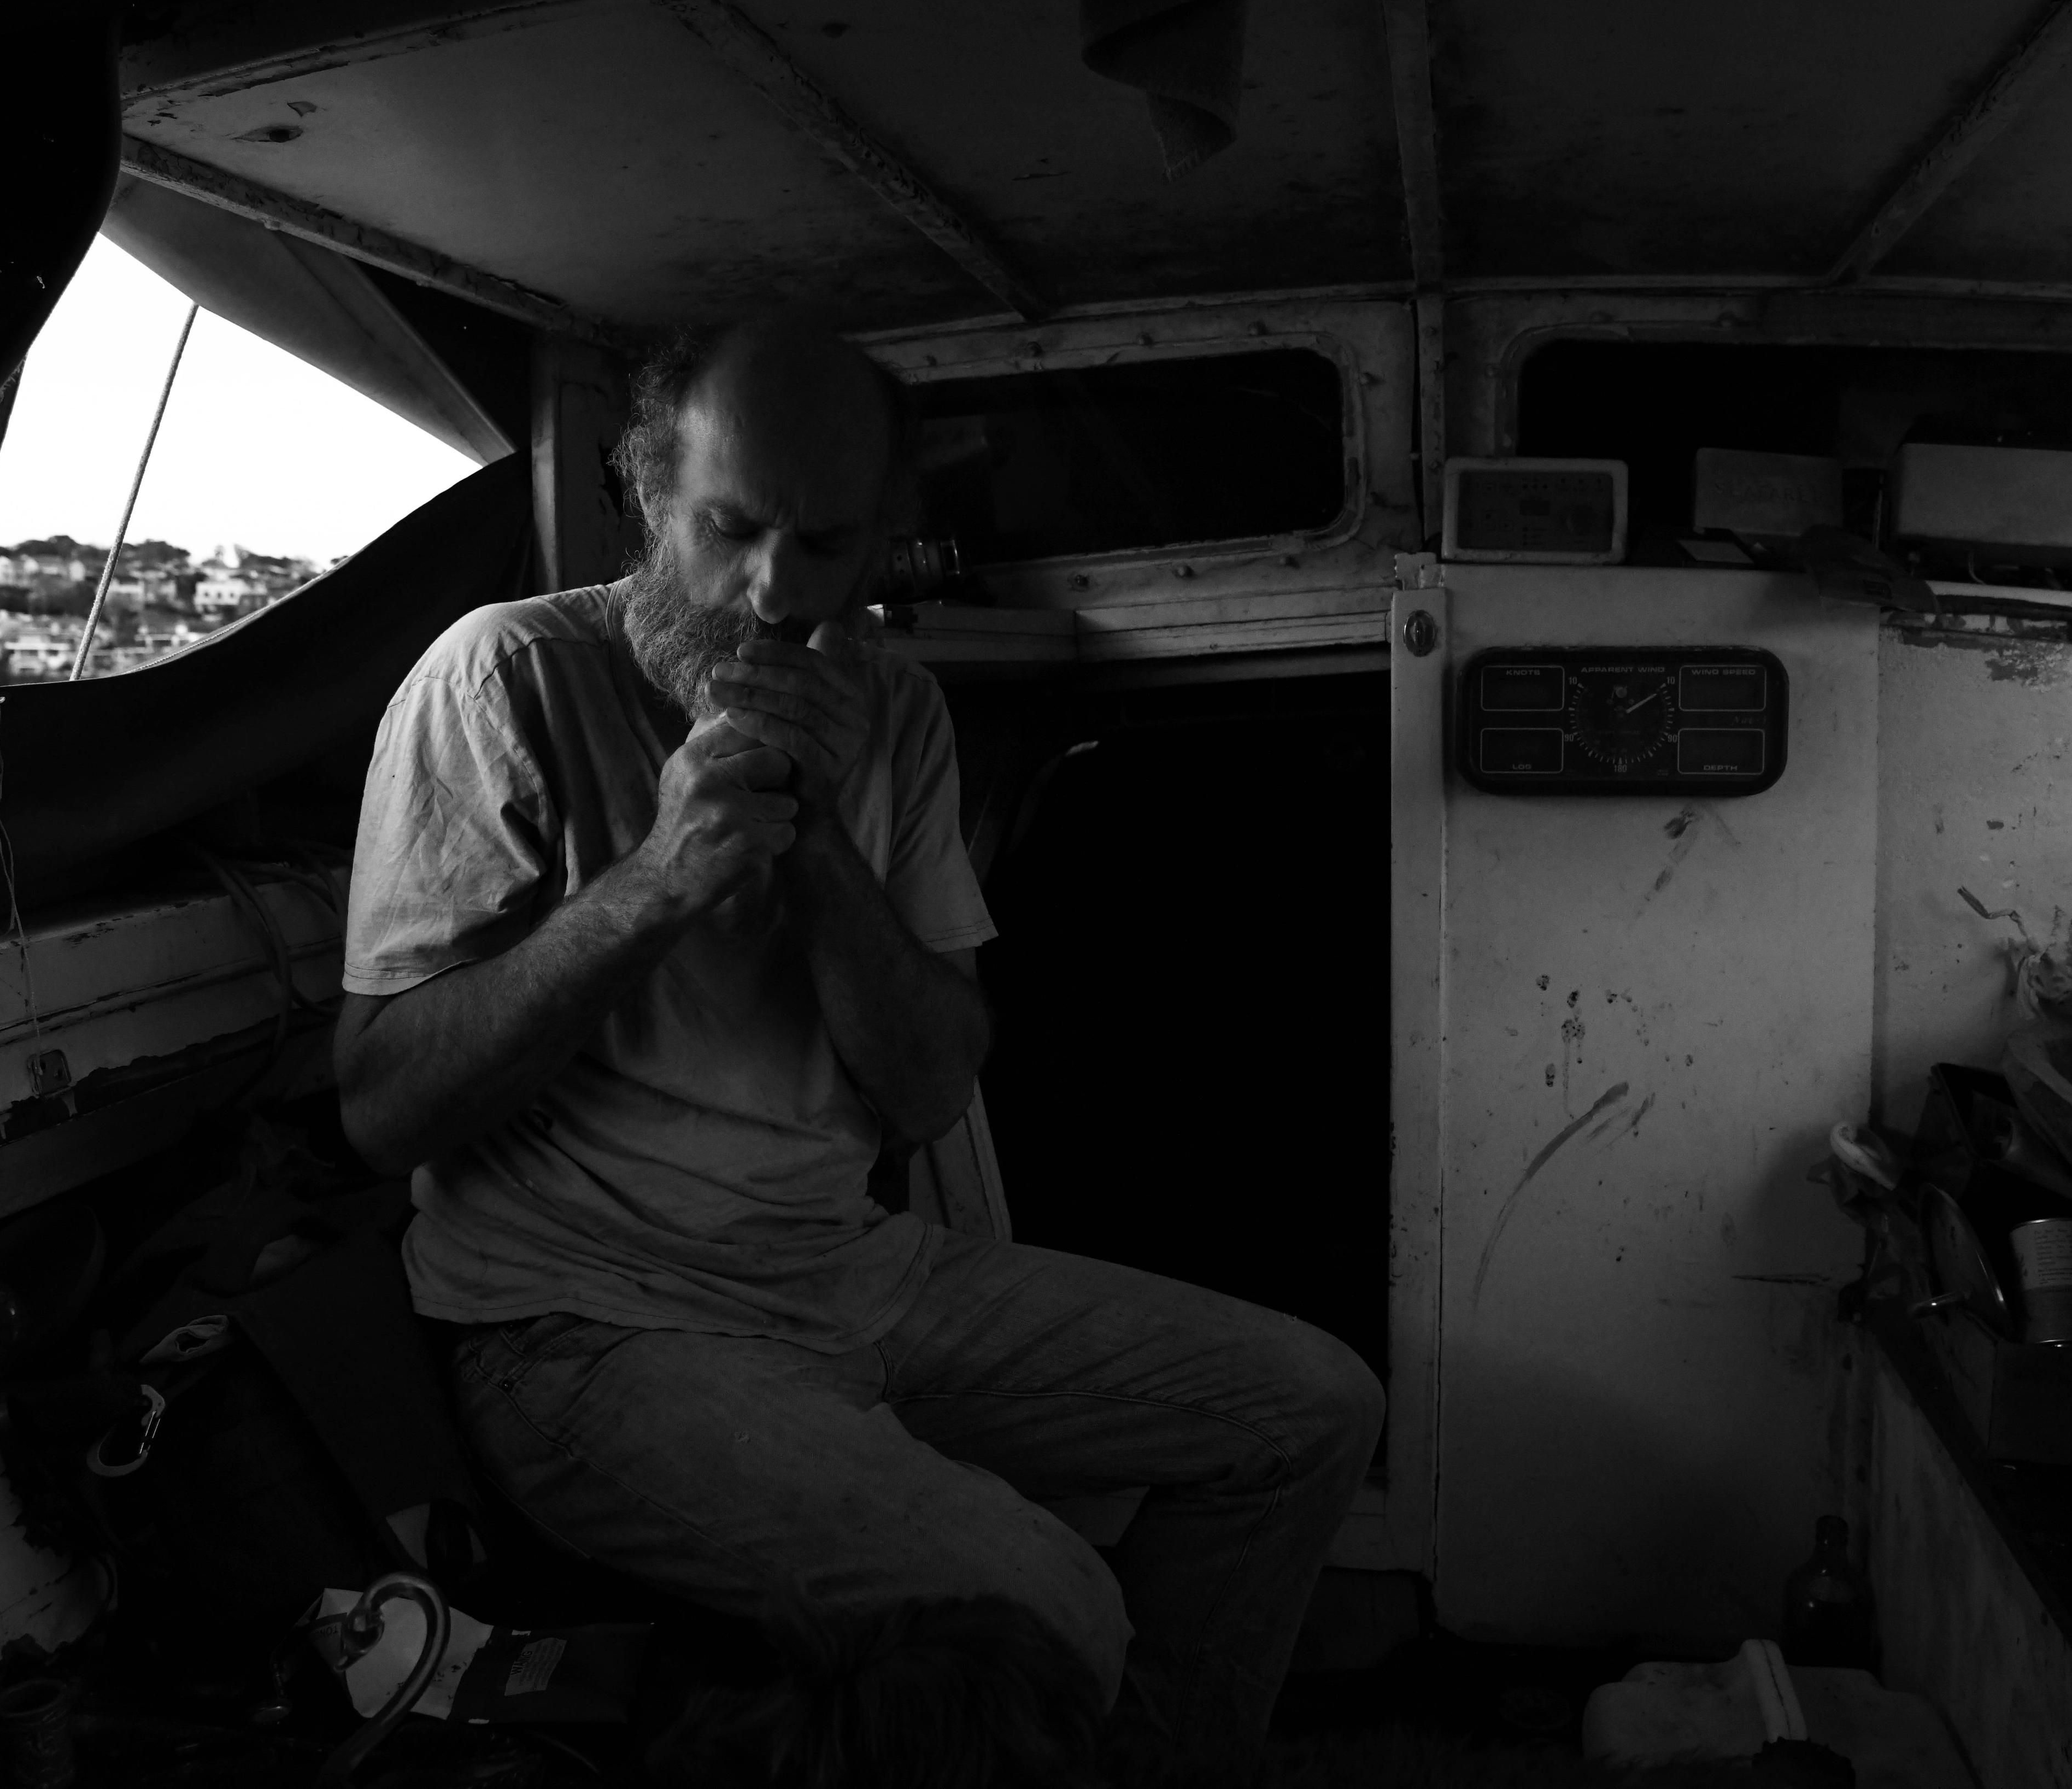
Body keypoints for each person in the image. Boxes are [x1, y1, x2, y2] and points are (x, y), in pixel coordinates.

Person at [332, 315, 1384, 1784]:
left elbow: (932, 1082)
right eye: (731, 529)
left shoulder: (895, 712)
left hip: (842, 1270)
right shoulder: (502, 676)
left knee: (1311, 1408)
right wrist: (660, 879)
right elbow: (384, 1113)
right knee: (1049, 1602)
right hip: (578, 1329)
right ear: (645, 491)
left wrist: (811, 833)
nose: (772, 591)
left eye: (825, 544)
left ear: (888, 538)